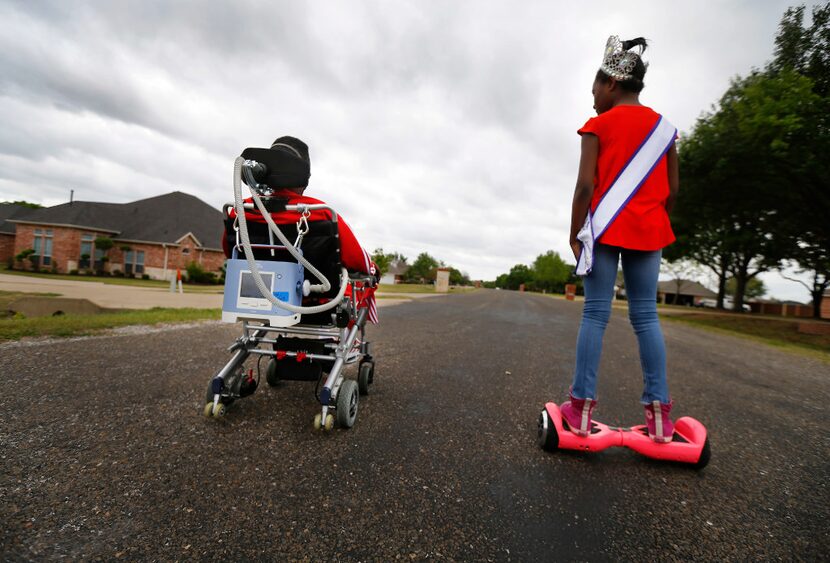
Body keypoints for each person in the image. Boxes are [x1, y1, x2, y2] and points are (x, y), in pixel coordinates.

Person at [560, 36, 679, 443]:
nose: (591, 96)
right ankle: (660, 417)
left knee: (596, 314)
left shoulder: (597, 125)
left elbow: (584, 187)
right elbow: (673, 189)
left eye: (594, 87)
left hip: (605, 230)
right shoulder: (665, 130)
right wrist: (650, 218)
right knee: (646, 316)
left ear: (610, 82)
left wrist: (576, 234)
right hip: (649, 231)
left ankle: (579, 411)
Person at [223, 135, 378, 323]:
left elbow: (231, 251)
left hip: (259, 299)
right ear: (302, 180)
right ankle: (350, 342)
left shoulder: (240, 211)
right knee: (368, 276)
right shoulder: (320, 212)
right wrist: (372, 268)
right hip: (317, 303)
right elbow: (359, 261)